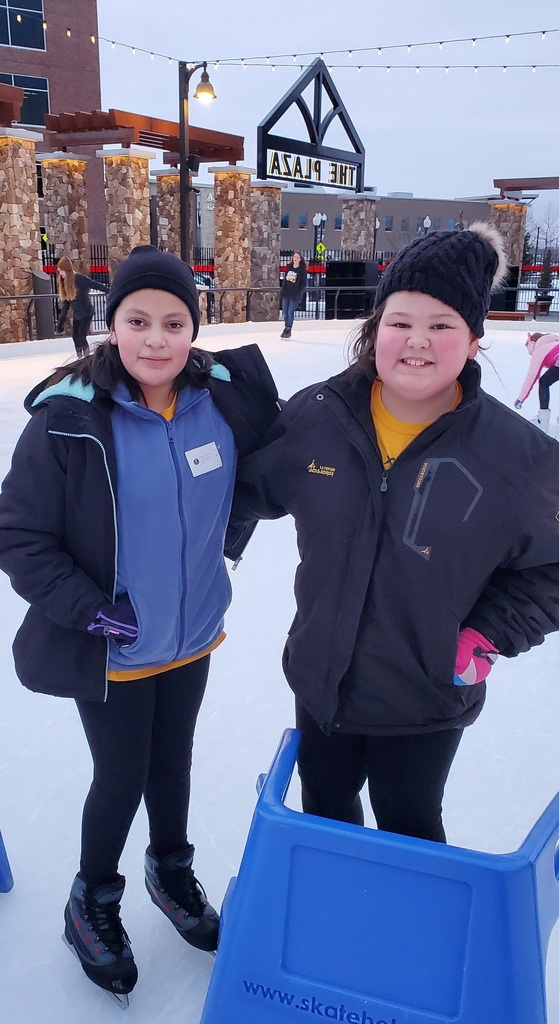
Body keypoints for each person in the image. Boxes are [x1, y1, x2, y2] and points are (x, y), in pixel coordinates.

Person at [0, 245, 279, 1005]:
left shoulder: (220, 403)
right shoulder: (67, 420)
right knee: (121, 775)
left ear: (194, 326)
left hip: (191, 635)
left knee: (174, 760)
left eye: (173, 321)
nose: (155, 338)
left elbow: (260, 477)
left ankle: (170, 868)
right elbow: (18, 534)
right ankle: (90, 899)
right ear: (110, 324)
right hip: (114, 644)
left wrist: (228, 541)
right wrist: (86, 607)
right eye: (137, 320)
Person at [232, 223, 559, 845]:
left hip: (425, 696)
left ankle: (408, 940)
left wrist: (492, 633)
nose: (416, 341)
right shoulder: (319, 417)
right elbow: (240, 487)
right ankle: (338, 931)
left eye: (441, 325)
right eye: (399, 321)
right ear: (375, 329)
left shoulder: (515, 456)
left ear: (473, 340)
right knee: (326, 814)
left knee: (409, 829)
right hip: (321, 682)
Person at [55, 256, 109, 358]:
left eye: (61, 270)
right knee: (75, 337)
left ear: (67, 269)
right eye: (59, 271)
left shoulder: (79, 279)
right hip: (77, 314)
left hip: (86, 312)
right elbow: (66, 306)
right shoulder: (65, 284)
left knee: (81, 336)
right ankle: (79, 358)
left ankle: (87, 358)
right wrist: (60, 324)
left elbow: (95, 285)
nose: (60, 273)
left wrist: (110, 291)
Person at [514, 331, 559, 432]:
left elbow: (531, 376)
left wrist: (521, 398)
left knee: (544, 382)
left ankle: (543, 420)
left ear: (532, 344)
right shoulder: (554, 343)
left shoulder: (540, 350)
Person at [279, 250, 307, 339]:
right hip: (287, 292)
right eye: (294, 257)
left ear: (300, 259)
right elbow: (285, 280)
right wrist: (282, 291)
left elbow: (303, 283)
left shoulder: (302, 269)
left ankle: (288, 328)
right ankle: (286, 326)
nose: (295, 259)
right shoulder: (289, 267)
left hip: (295, 294)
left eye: (297, 257)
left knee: (290, 311)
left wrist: (299, 292)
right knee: (285, 312)